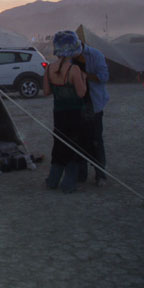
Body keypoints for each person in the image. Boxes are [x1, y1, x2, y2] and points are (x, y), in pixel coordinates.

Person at [43, 31, 88, 193]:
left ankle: (52, 180)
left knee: (59, 146)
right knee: (74, 147)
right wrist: (83, 78)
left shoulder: (49, 68)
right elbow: (81, 93)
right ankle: (68, 184)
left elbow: (46, 91)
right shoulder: (74, 69)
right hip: (75, 115)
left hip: (59, 114)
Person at [72, 40, 110, 187]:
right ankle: (81, 174)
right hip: (76, 105)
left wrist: (83, 75)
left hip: (93, 103)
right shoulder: (69, 58)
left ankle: (100, 174)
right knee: (79, 140)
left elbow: (104, 77)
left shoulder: (95, 55)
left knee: (96, 140)